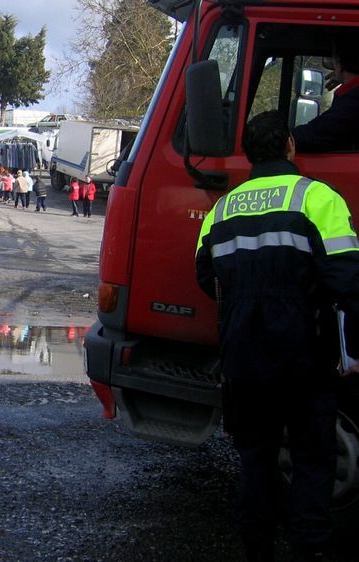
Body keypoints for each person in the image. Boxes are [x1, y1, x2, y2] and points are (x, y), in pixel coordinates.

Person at [195, 110, 359, 561]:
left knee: (256, 461)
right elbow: (347, 278)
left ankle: (258, 551)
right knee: (311, 461)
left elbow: (204, 274)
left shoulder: (222, 208)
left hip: (243, 355)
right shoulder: (318, 198)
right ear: (290, 144)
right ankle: (309, 550)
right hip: (305, 352)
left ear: (248, 154)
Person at [293, 29, 359, 152]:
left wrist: (276, 137)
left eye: (332, 60)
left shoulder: (352, 103)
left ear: (340, 63)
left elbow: (316, 134)